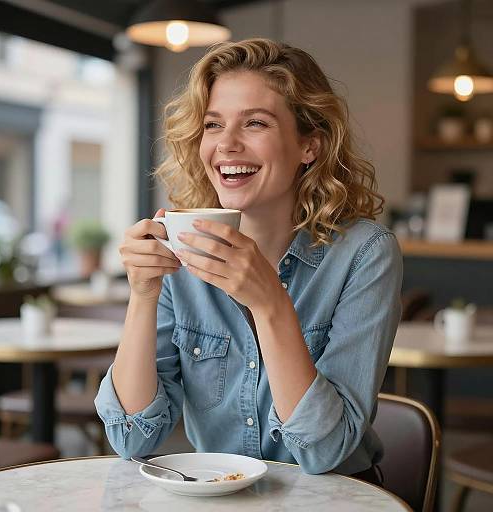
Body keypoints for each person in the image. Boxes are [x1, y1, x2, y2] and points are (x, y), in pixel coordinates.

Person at [95, 38, 402, 484]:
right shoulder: (183, 247)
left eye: (255, 123)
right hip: (220, 495)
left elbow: (326, 449)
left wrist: (270, 303)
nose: (227, 144)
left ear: (309, 146)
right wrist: (143, 295)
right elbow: (131, 438)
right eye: (213, 125)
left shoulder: (364, 254)